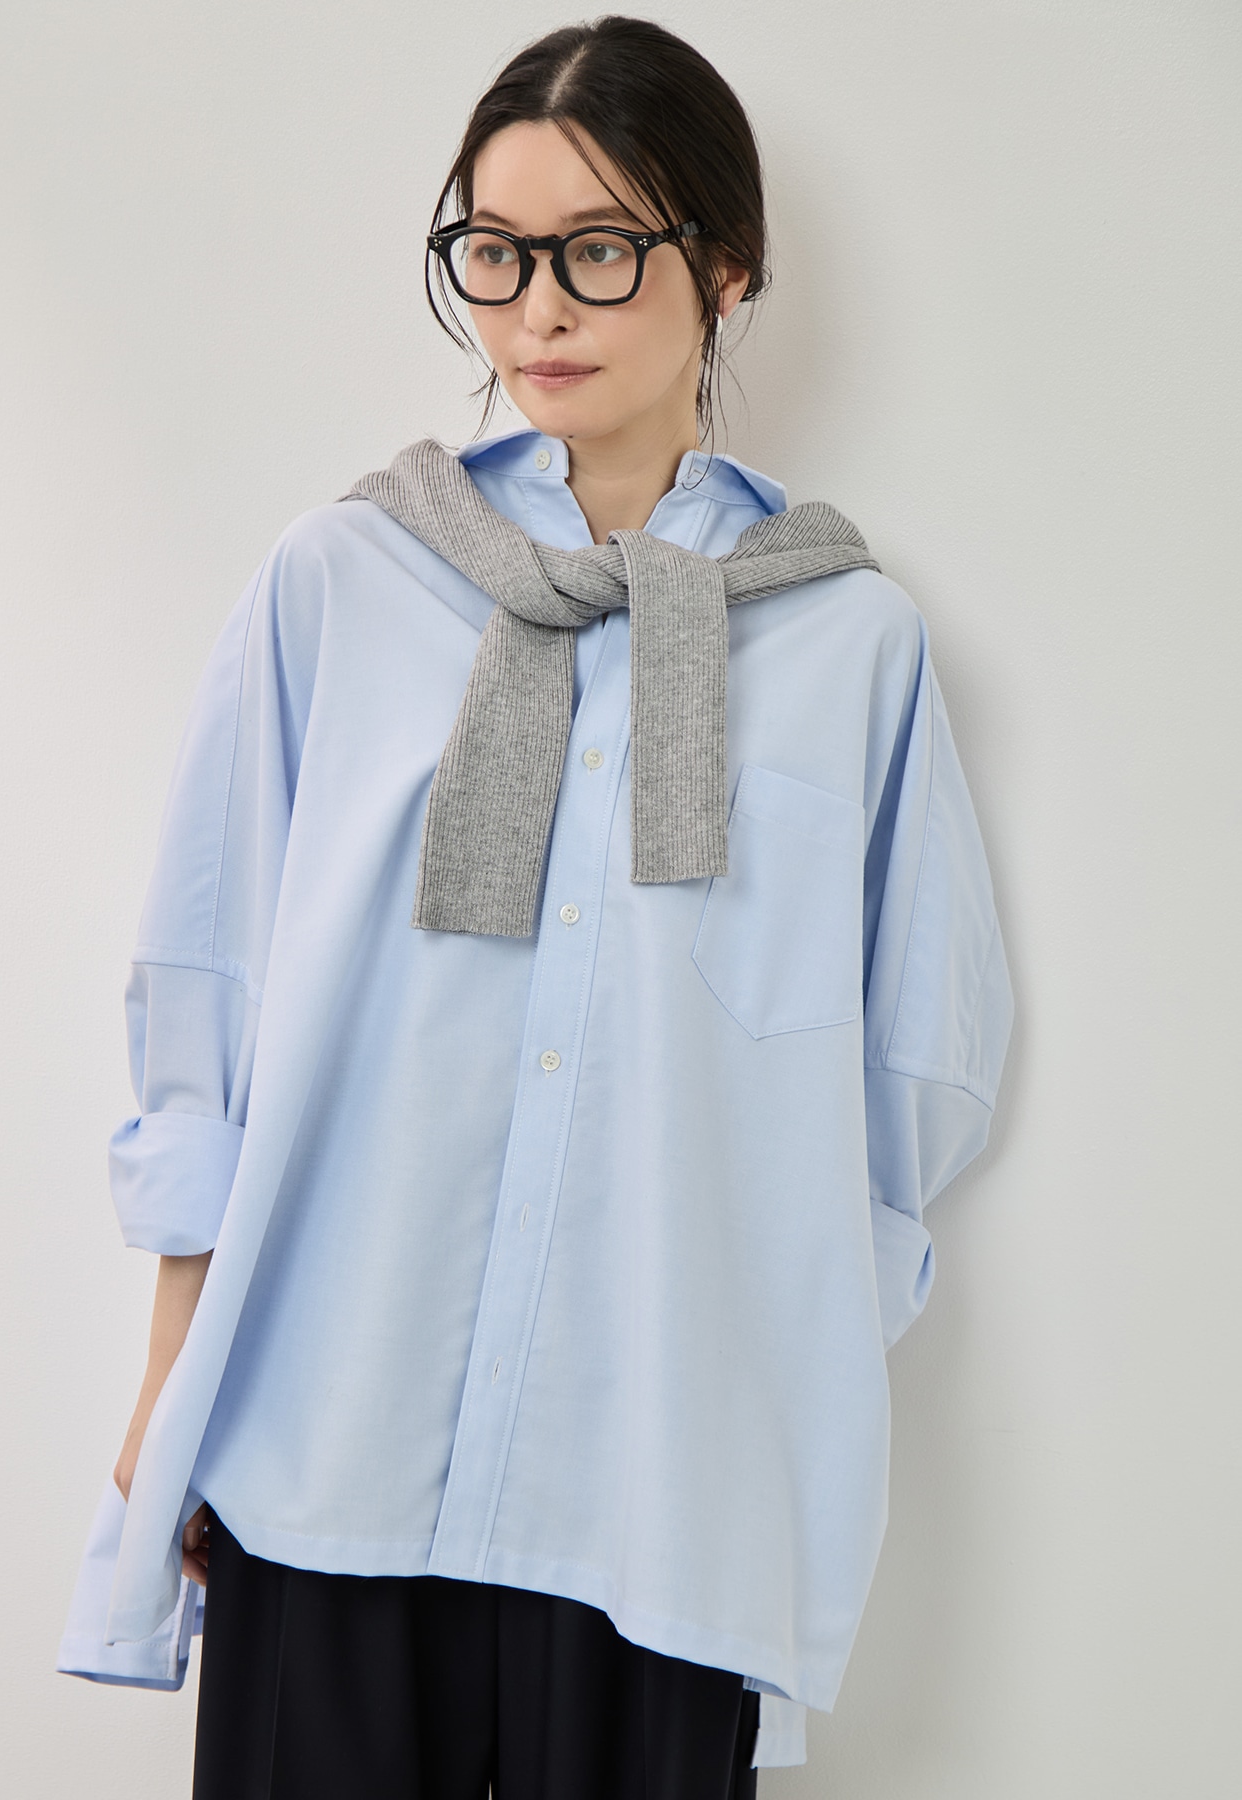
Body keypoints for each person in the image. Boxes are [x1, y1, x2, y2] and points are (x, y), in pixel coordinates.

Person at [58, 17, 1013, 1799]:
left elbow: (910, 1087)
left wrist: (755, 1392)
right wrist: (175, 1383)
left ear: (727, 268)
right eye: (493, 254)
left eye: (599, 251)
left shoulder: (847, 647)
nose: (539, 311)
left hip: (662, 1505)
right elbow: (211, 998)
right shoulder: (346, 581)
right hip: (328, 1452)